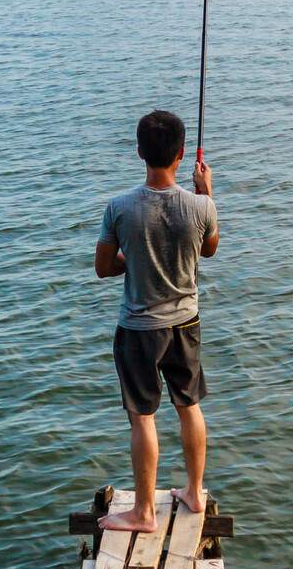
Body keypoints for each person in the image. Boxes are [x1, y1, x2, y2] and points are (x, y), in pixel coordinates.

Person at [93, 109, 219, 533]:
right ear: (182, 154)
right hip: (186, 322)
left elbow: (104, 267)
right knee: (189, 405)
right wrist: (208, 193)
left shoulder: (119, 208)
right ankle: (194, 493)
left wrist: (137, 259)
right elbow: (209, 249)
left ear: (139, 153)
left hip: (139, 329)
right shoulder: (200, 206)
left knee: (143, 416)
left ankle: (144, 513)